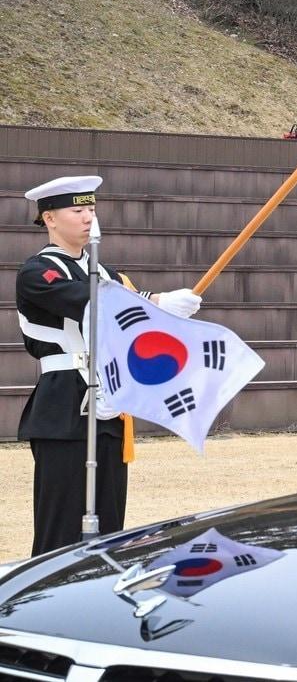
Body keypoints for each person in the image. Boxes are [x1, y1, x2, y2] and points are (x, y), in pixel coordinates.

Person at [17, 175, 202, 555]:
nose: (88, 218)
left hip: (111, 400)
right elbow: (89, 301)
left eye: (91, 209)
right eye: (77, 211)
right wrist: (156, 301)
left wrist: (167, 311)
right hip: (65, 404)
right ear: (49, 218)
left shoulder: (107, 273)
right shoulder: (38, 271)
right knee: (61, 529)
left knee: (110, 526)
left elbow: (134, 319)